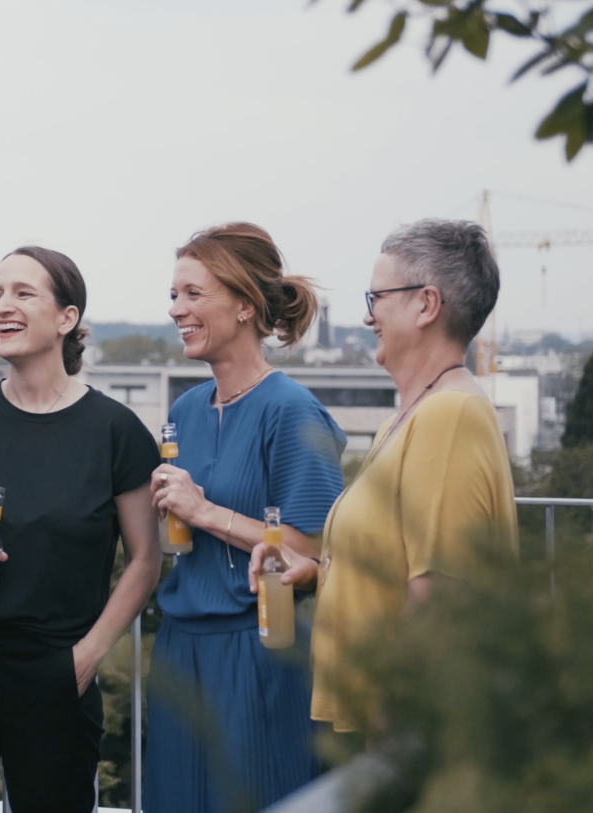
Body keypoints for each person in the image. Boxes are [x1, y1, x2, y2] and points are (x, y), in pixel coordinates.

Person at [0, 247, 162, 813]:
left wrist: (88, 657)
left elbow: (145, 558)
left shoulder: (114, 431)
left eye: (23, 292)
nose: (3, 305)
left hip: (54, 671)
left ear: (67, 319)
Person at [250, 218, 518, 734]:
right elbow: (401, 560)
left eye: (377, 298)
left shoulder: (449, 417)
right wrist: (315, 572)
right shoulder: (413, 415)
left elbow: (440, 587)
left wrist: (390, 726)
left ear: (427, 304)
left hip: (404, 732)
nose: (367, 315)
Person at [147, 223, 346, 811]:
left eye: (193, 294)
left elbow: (310, 554)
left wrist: (203, 510)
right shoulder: (186, 407)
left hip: (259, 650)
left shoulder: (292, 411)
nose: (176, 309)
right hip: (181, 649)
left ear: (244, 305)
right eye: (174, 295)